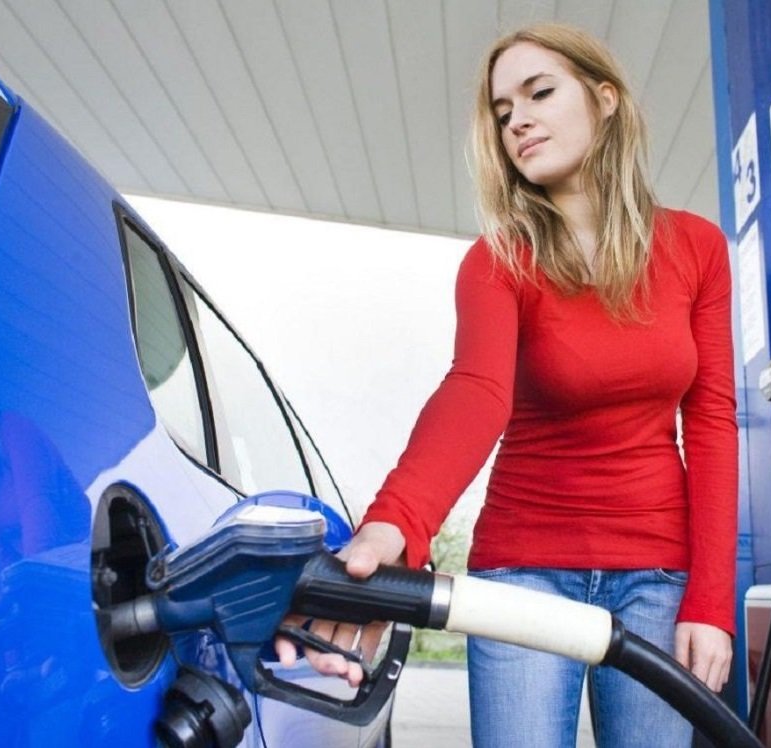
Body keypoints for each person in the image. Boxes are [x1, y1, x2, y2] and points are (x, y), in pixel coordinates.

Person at [276, 22, 738, 747]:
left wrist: (712, 601)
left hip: (658, 575)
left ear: (605, 99)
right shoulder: (500, 263)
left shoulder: (698, 249)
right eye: (501, 111)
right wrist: (394, 526)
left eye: (539, 93)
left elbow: (711, 423)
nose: (516, 119)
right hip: (524, 577)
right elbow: (475, 392)